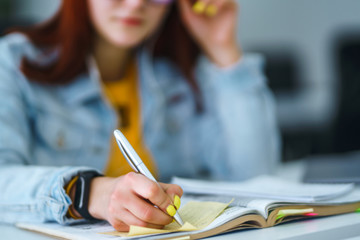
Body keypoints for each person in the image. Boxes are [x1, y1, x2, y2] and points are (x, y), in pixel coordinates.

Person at [0, 0, 280, 232]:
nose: (136, 5)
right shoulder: (13, 62)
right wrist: (89, 193)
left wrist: (223, 47)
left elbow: (254, 174)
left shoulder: (177, 75)